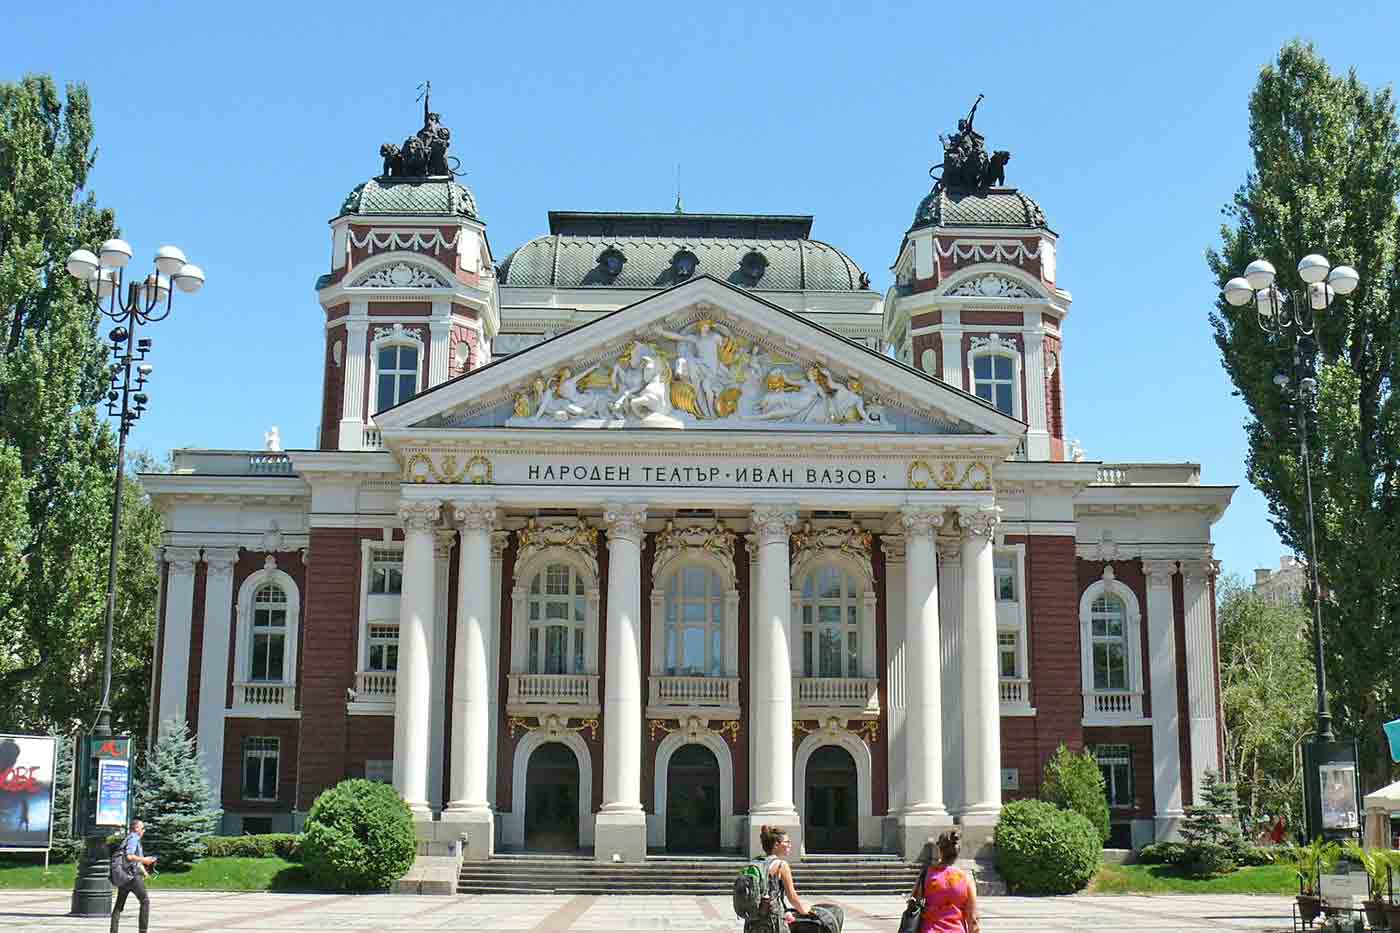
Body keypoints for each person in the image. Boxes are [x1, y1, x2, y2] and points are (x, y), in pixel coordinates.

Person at [747, 826, 843, 933]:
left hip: (753, 921)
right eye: (787, 842)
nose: (790, 845)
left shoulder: (755, 863)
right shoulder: (781, 865)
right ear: (776, 845)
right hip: (773, 921)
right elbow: (792, 897)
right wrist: (805, 910)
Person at [917, 830, 978, 933]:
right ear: (958, 851)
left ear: (940, 850)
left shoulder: (926, 875)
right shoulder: (966, 879)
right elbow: (972, 919)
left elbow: (914, 904)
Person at [111, 818, 155, 933]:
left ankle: (113, 931)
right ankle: (143, 931)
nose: (144, 831)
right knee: (145, 901)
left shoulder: (127, 839)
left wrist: (145, 872)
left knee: (118, 907)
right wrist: (145, 860)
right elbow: (129, 856)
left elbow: (135, 861)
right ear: (136, 828)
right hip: (132, 877)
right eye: (142, 828)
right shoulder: (134, 838)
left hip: (124, 877)